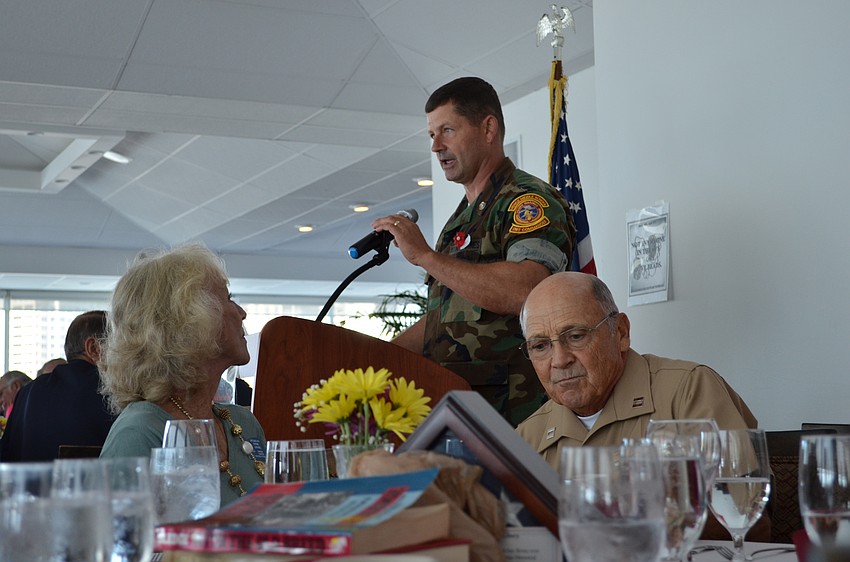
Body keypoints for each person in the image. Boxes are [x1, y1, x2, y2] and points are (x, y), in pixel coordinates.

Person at [372, 77, 577, 426]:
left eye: (447, 130)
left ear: (488, 128)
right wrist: (373, 357)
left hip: (515, 415)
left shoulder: (526, 202)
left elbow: (526, 290)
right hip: (459, 409)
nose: (436, 146)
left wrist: (425, 256)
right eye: (432, 135)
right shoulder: (460, 221)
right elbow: (444, 321)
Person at [515, 272, 767, 540]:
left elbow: (746, 520)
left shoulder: (687, 391)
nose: (559, 360)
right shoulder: (528, 435)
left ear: (621, 333)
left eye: (576, 336)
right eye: (540, 346)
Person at [99, 244, 266, 506]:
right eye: (228, 299)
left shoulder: (243, 424)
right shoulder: (140, 433)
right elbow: (125, 543)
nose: (242, 313)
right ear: (188, 321)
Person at [0, 311, 115, 461]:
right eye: (119, 347)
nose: (126, 357)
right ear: (93, 348)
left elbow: (6, 457)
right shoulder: (111, 392)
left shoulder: (28, 392)